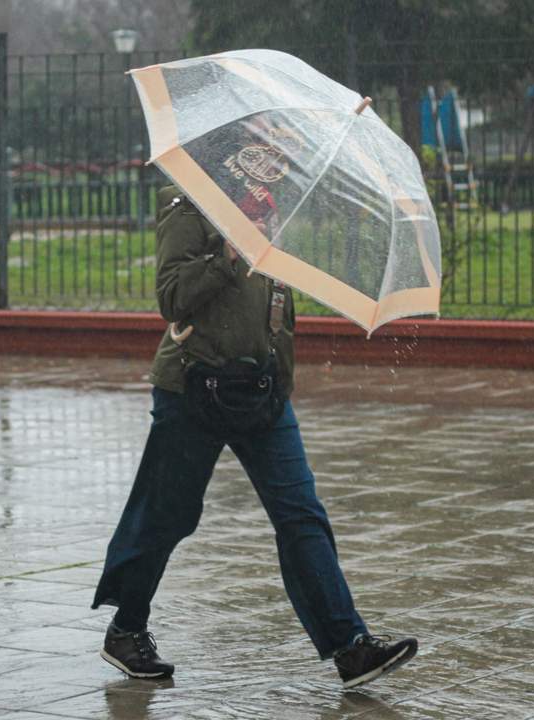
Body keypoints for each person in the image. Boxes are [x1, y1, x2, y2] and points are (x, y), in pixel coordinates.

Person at [91, 184, 417, 689]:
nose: (273, 152)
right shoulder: (188, 202)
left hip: (262, 391)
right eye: (262, 139)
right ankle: (127, 629)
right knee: (168, 515)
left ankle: (350, 646)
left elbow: (274, 303)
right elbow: (172, 296)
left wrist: (281, 376)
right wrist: (227, 254)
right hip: (193, 388)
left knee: (300, 512)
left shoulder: (274, 209)